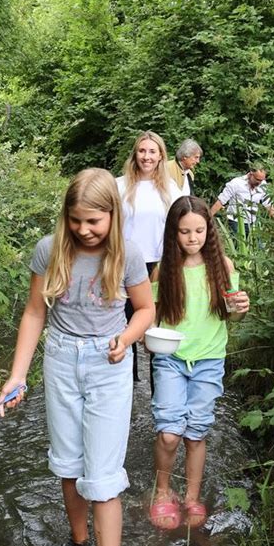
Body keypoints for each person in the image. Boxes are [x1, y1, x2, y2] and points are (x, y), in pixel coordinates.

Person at [0, 168, 154, 546]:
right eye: (75, 220)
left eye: (94, 221)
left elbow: (145, 310)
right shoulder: (49, 251)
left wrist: (125, 339)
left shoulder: (129, 255)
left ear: (112, 217)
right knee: (68, 464)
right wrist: (17, 374)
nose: (84, 230)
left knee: (102, 478)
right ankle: (79, 538)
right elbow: (34, 314)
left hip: (108, 363)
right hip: (61, 361)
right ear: (65, 216)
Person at [149, 195, 250, 530]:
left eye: (199, 230)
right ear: (173, 234)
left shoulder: (224, 267)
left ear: (209, 230)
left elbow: (230, 315)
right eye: (184, 232)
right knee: (169, 434)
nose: (192, 238)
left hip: (209, 358)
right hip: (170, 358)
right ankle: (162, 491)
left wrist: (240, 309)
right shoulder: (165, 270)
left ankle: (191, 497)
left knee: (196, 433)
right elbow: (149, 314)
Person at [116, 130, 181, 380]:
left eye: (152, 151)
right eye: (142, 151)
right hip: (124, 264)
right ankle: (126, 386)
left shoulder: (171, 189)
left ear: (161, 156)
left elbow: (180, 227)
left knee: (156, 329)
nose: (147, 156)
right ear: (135, 154)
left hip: (159, 265)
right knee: (125, 327)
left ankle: (160, 392)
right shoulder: (119, 185)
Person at [209, 166, 274, 238]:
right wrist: (208, 218)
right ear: (250, 174)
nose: (259, 183)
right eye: (257, 179)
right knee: (239, 246)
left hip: (252, 222)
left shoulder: (263, 185)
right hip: (236, 221)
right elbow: (221, 201)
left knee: (258, 247)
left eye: (261, 180)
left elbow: (268, 204)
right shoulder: (236, 183)